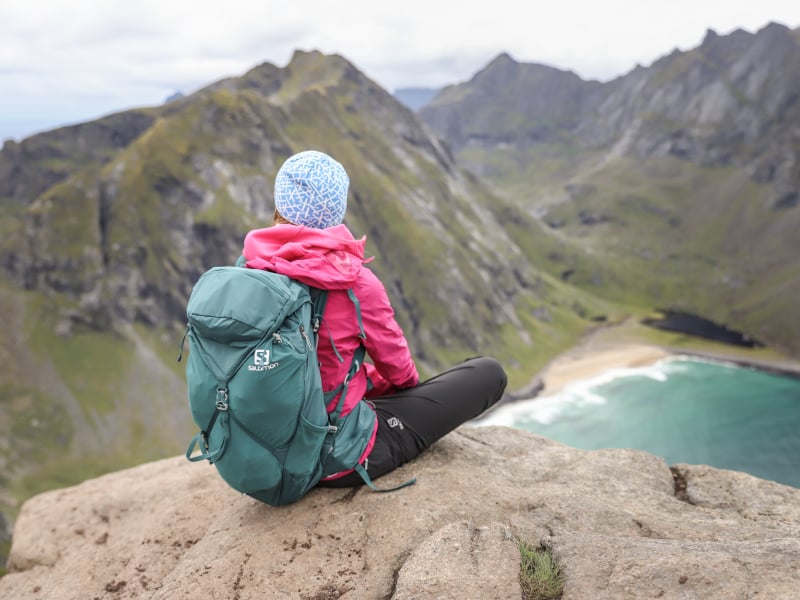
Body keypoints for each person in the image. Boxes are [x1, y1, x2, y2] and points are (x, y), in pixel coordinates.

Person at [241, 149, 508, 488]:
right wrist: (378, 387)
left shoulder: (248, 268)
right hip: (337, 459)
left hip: (262, 454)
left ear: (280, 203)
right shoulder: (353, 282)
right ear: (337, 208)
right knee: (488, 373)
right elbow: (401, 374)